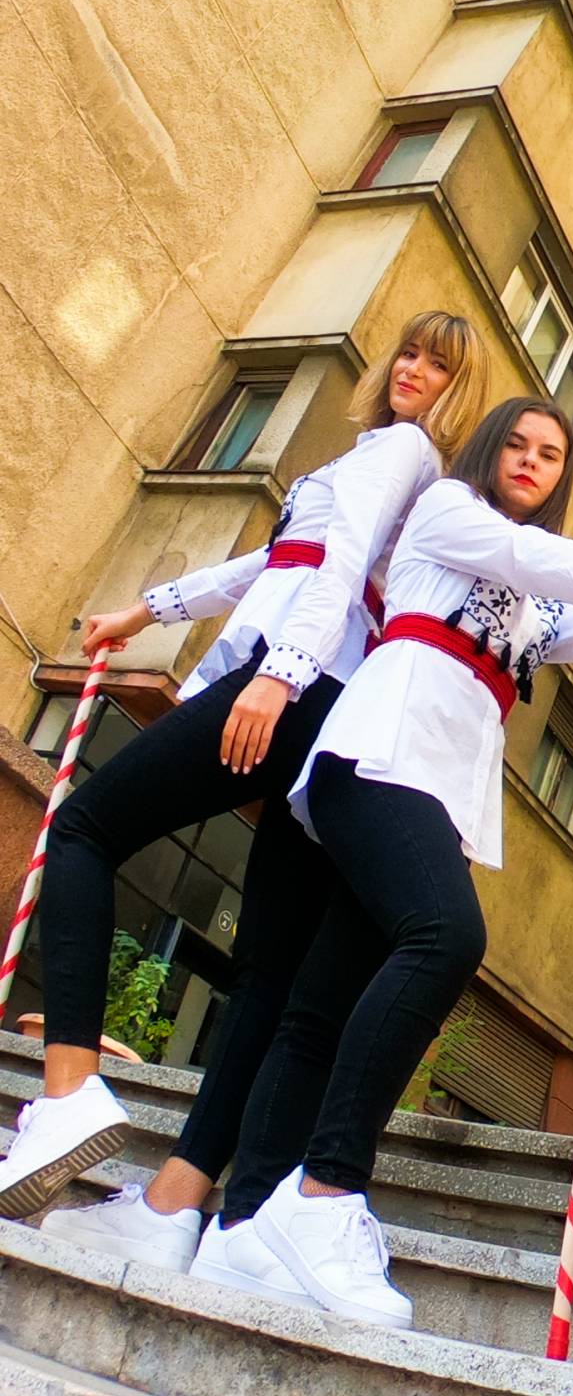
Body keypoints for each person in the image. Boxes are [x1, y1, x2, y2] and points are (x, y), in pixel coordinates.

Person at [191, 395, 573, 1327]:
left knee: (323, 1002)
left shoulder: (524, 605)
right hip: (378, 755)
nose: (531, 460)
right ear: (487, 450)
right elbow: (540, 559)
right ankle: (325, 1193)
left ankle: (241, 1229)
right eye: (515, 443)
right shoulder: (449, 513)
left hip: (439, 791)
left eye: (550, 453)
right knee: (445, 938)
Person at [3, 313, 484, 1234]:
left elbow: (340, 567)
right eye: (410, 352)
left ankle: (67, 1090)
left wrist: (278, 674)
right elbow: (276, 559)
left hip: (300, 680)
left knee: (85, 829)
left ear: (456, 391)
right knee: (265, 965)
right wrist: (145, 611)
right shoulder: (381, 459)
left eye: (439, 365)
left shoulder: (401, 451)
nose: (414, 370)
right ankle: (174, 1204)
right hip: (326, 700)